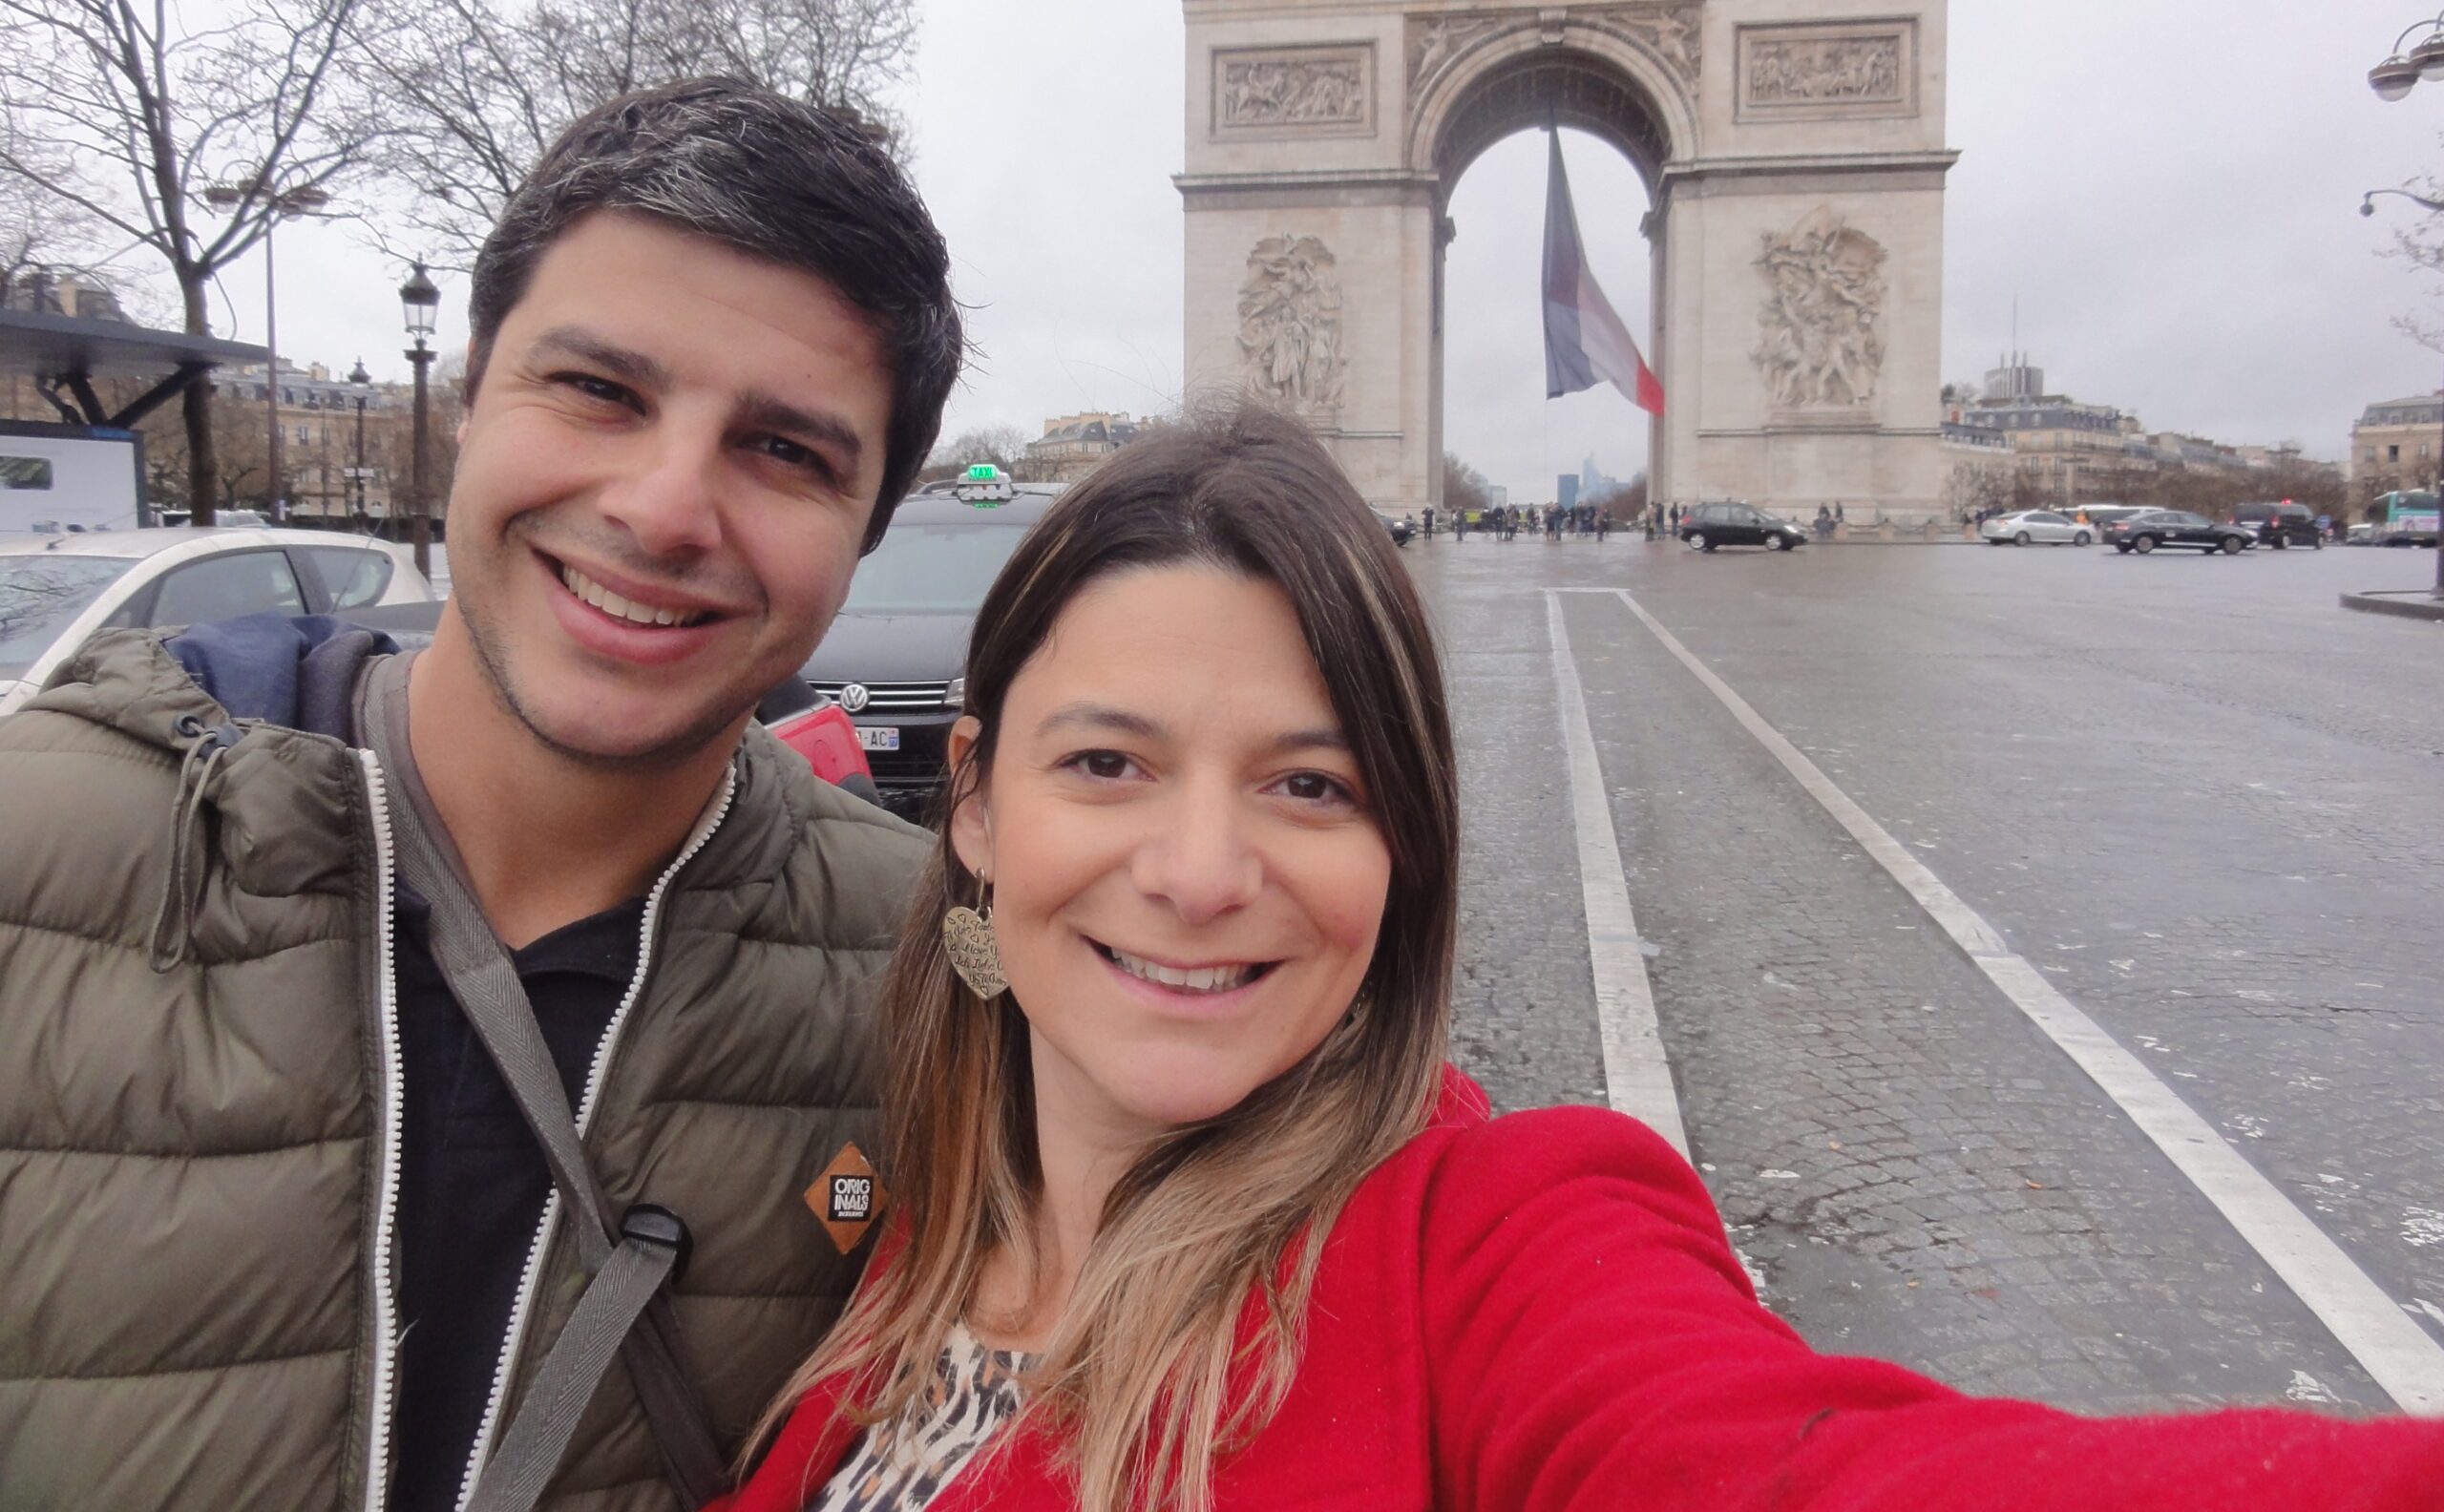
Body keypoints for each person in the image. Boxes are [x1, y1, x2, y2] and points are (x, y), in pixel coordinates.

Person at [721, 404, 2443, 1512]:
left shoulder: (1493, 1246)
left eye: (1310, 784)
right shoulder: (907, 1210)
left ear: (1405, 847)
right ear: (971, 803)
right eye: (1107, 763)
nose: (1196, 873)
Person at [0, 78, 963, 1511]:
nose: (662, 507)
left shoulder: (932, 990)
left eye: (783, 450)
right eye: (598, 391)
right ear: (467, 400)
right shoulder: (33, 853)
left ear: (868, 526)